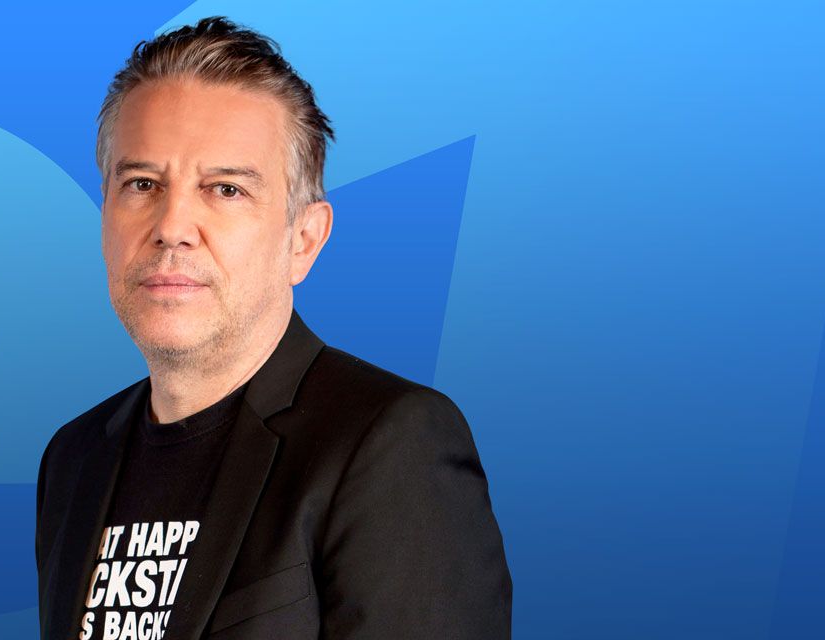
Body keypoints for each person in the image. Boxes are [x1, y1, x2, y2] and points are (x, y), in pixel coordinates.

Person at [35, 16, 512, 639]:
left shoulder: (390, 446)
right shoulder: (74, 458)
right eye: (142, 184)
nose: (172, 226)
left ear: (304, 240)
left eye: (225, 189)